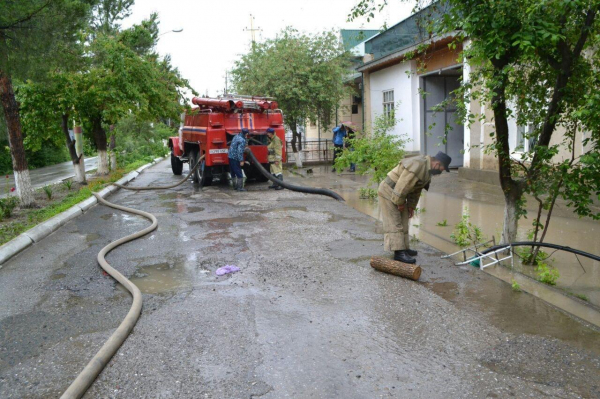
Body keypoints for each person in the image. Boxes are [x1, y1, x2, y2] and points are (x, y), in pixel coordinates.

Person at [378, 151, 452, 264]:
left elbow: (416, 190)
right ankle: (398, 252)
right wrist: (400, 203)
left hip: (397, 192)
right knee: (394, 221)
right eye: (443, 167)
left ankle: (404, 248)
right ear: (437, 163)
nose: (442, 170)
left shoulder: (427, 170)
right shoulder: (419, 165)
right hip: (389, 190)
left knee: (403, 220)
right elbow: (403, 185)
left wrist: (411, 207)